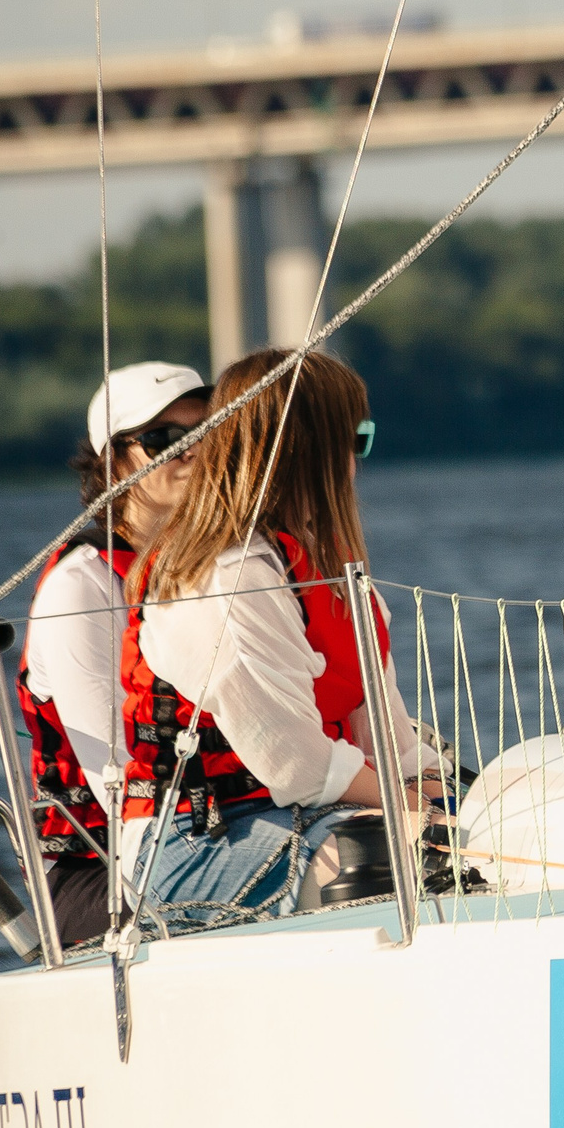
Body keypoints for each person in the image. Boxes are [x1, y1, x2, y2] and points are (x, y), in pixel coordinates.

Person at [118, 348, 436, 926]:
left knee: (492, 828)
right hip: (196, 843)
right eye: (354, 440)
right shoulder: (226, 577)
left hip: (310, 812)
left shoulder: (333, 573)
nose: (356, 462)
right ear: (309, 451)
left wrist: (445, 793)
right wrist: (415, 812)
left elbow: (389, 739)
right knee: (415, 860)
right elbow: (295, 764)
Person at [20, 361, 208, 947]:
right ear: (114, 461)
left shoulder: (215, 567)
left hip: (206, 825)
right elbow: (119, 782)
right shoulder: (81, 588)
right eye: (163, 440)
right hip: (100, 870)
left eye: (206, 433)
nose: (191, 452)